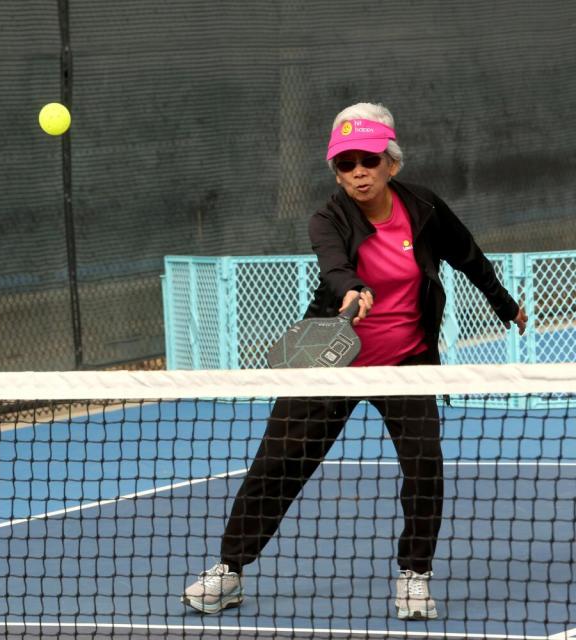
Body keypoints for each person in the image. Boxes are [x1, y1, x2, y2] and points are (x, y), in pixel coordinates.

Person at [182, 102, 528, 620]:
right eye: (346, 164)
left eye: (369, 160)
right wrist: (353, 293)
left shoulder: (424, 209)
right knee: (277, 465)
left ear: (391, 162)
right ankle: (229, 570)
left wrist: (505, 304)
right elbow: (334, 263)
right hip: (332, 360)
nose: (359, 172)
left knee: (425, 467)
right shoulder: (328, 216)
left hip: (406, 363)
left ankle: (414, 578)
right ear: (336, 170)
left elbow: (467, 255)